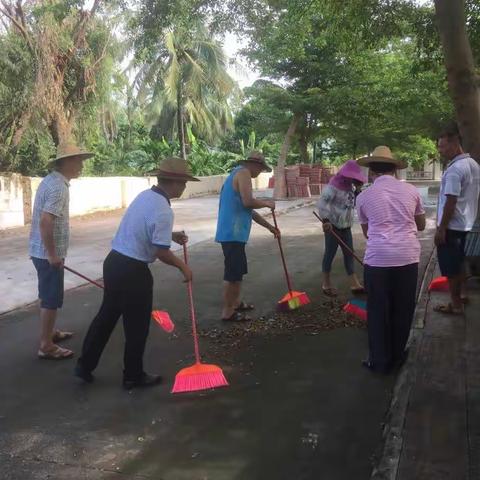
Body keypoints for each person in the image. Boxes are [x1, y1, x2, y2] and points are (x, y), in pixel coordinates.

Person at [75, 157, 197, 389]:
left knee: (106, 317)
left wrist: (170, 235)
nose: (184, 187)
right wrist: (183, 266)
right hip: (133, 271)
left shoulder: (145, 196)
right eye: (183, 183)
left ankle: (84, 365)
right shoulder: (163, 210)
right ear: (173, 182)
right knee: (137, 326)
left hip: (114, 262)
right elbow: (161, 252)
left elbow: (142, 228)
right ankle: (133, 375)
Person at [356, 146, 426, 374]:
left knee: (377, 311)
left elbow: (367, 232)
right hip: (407, 257)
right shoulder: (411, 191)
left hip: (378, 260)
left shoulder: (364, 196)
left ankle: (379, 361)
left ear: (372, 171)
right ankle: (397, 356)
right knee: (403, 309)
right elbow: (422, 225)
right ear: (395, 169)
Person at [30, 142, 93, 360]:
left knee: (48, 296)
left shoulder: (52, 181)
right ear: (65, 162)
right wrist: (52, 255)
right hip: (47, 254)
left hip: (41, 251)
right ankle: (46, 345)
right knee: (51, 299)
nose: (81, 166)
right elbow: (46, 221)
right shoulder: (58, 187)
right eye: (78, 160)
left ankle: (50, 333)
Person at [215, 151, 279, 322]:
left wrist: (270, 227)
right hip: (232, 233)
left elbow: (248, 210)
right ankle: (228, 311)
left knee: (238, 271)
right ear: (255, 165)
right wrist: (267, 202)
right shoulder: (243, 173)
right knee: (233, 273)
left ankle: (235, 303)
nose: (259, 173)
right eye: (260, 168)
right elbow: (248, 202)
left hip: (235, 233)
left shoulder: (238, 173)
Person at [434, 125, 480, 314]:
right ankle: (462, 295)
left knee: (451, 268)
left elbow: (451, 201)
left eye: (443, 146)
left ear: (454, 144)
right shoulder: (474, 165)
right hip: (466, 223)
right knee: (460, 262)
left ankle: (455, 304)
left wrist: (441, 229)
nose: (440, 150)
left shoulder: (455, 169)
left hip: (452, 226)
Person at [316, 160, 367, 297]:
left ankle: (354, 283)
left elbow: (354, 203)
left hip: (346, 226)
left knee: (349, 253)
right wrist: (326, 220)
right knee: (330, 254)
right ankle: (326, 283)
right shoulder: (333, 186)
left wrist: (358, 190)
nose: (354, 179)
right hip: (332, 227)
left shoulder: (349, 186)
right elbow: (322, 204)